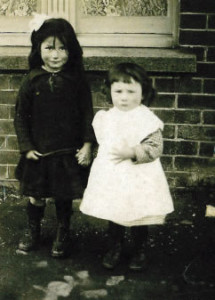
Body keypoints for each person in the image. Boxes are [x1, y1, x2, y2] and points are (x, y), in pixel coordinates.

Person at [14, 16, 95, 258]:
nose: (56, 55)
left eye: (62, 48)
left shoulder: (77, 82)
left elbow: (87, 115)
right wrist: (26, 147)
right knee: (36, 195)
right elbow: (20, 117)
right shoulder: (31, 80)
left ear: (72, 50)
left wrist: (88, 145)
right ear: (38, 49)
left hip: (66, 152)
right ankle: (33, 230)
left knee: (63, 195)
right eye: (49, 47)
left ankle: (63, 231)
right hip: (39, 152)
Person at [80, 63, 174, 270]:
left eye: (131, 91)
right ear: (109, 92)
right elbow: (103, 142)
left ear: (143, 93)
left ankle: (139, 250)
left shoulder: (146, 119)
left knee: (139, 214)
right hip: (113, 178)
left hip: (139, 177)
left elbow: (155, 148)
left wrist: (132, 152)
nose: (124, 97)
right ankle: (115, 247)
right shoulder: (106, 117)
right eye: (118, 91)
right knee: (115, 214)